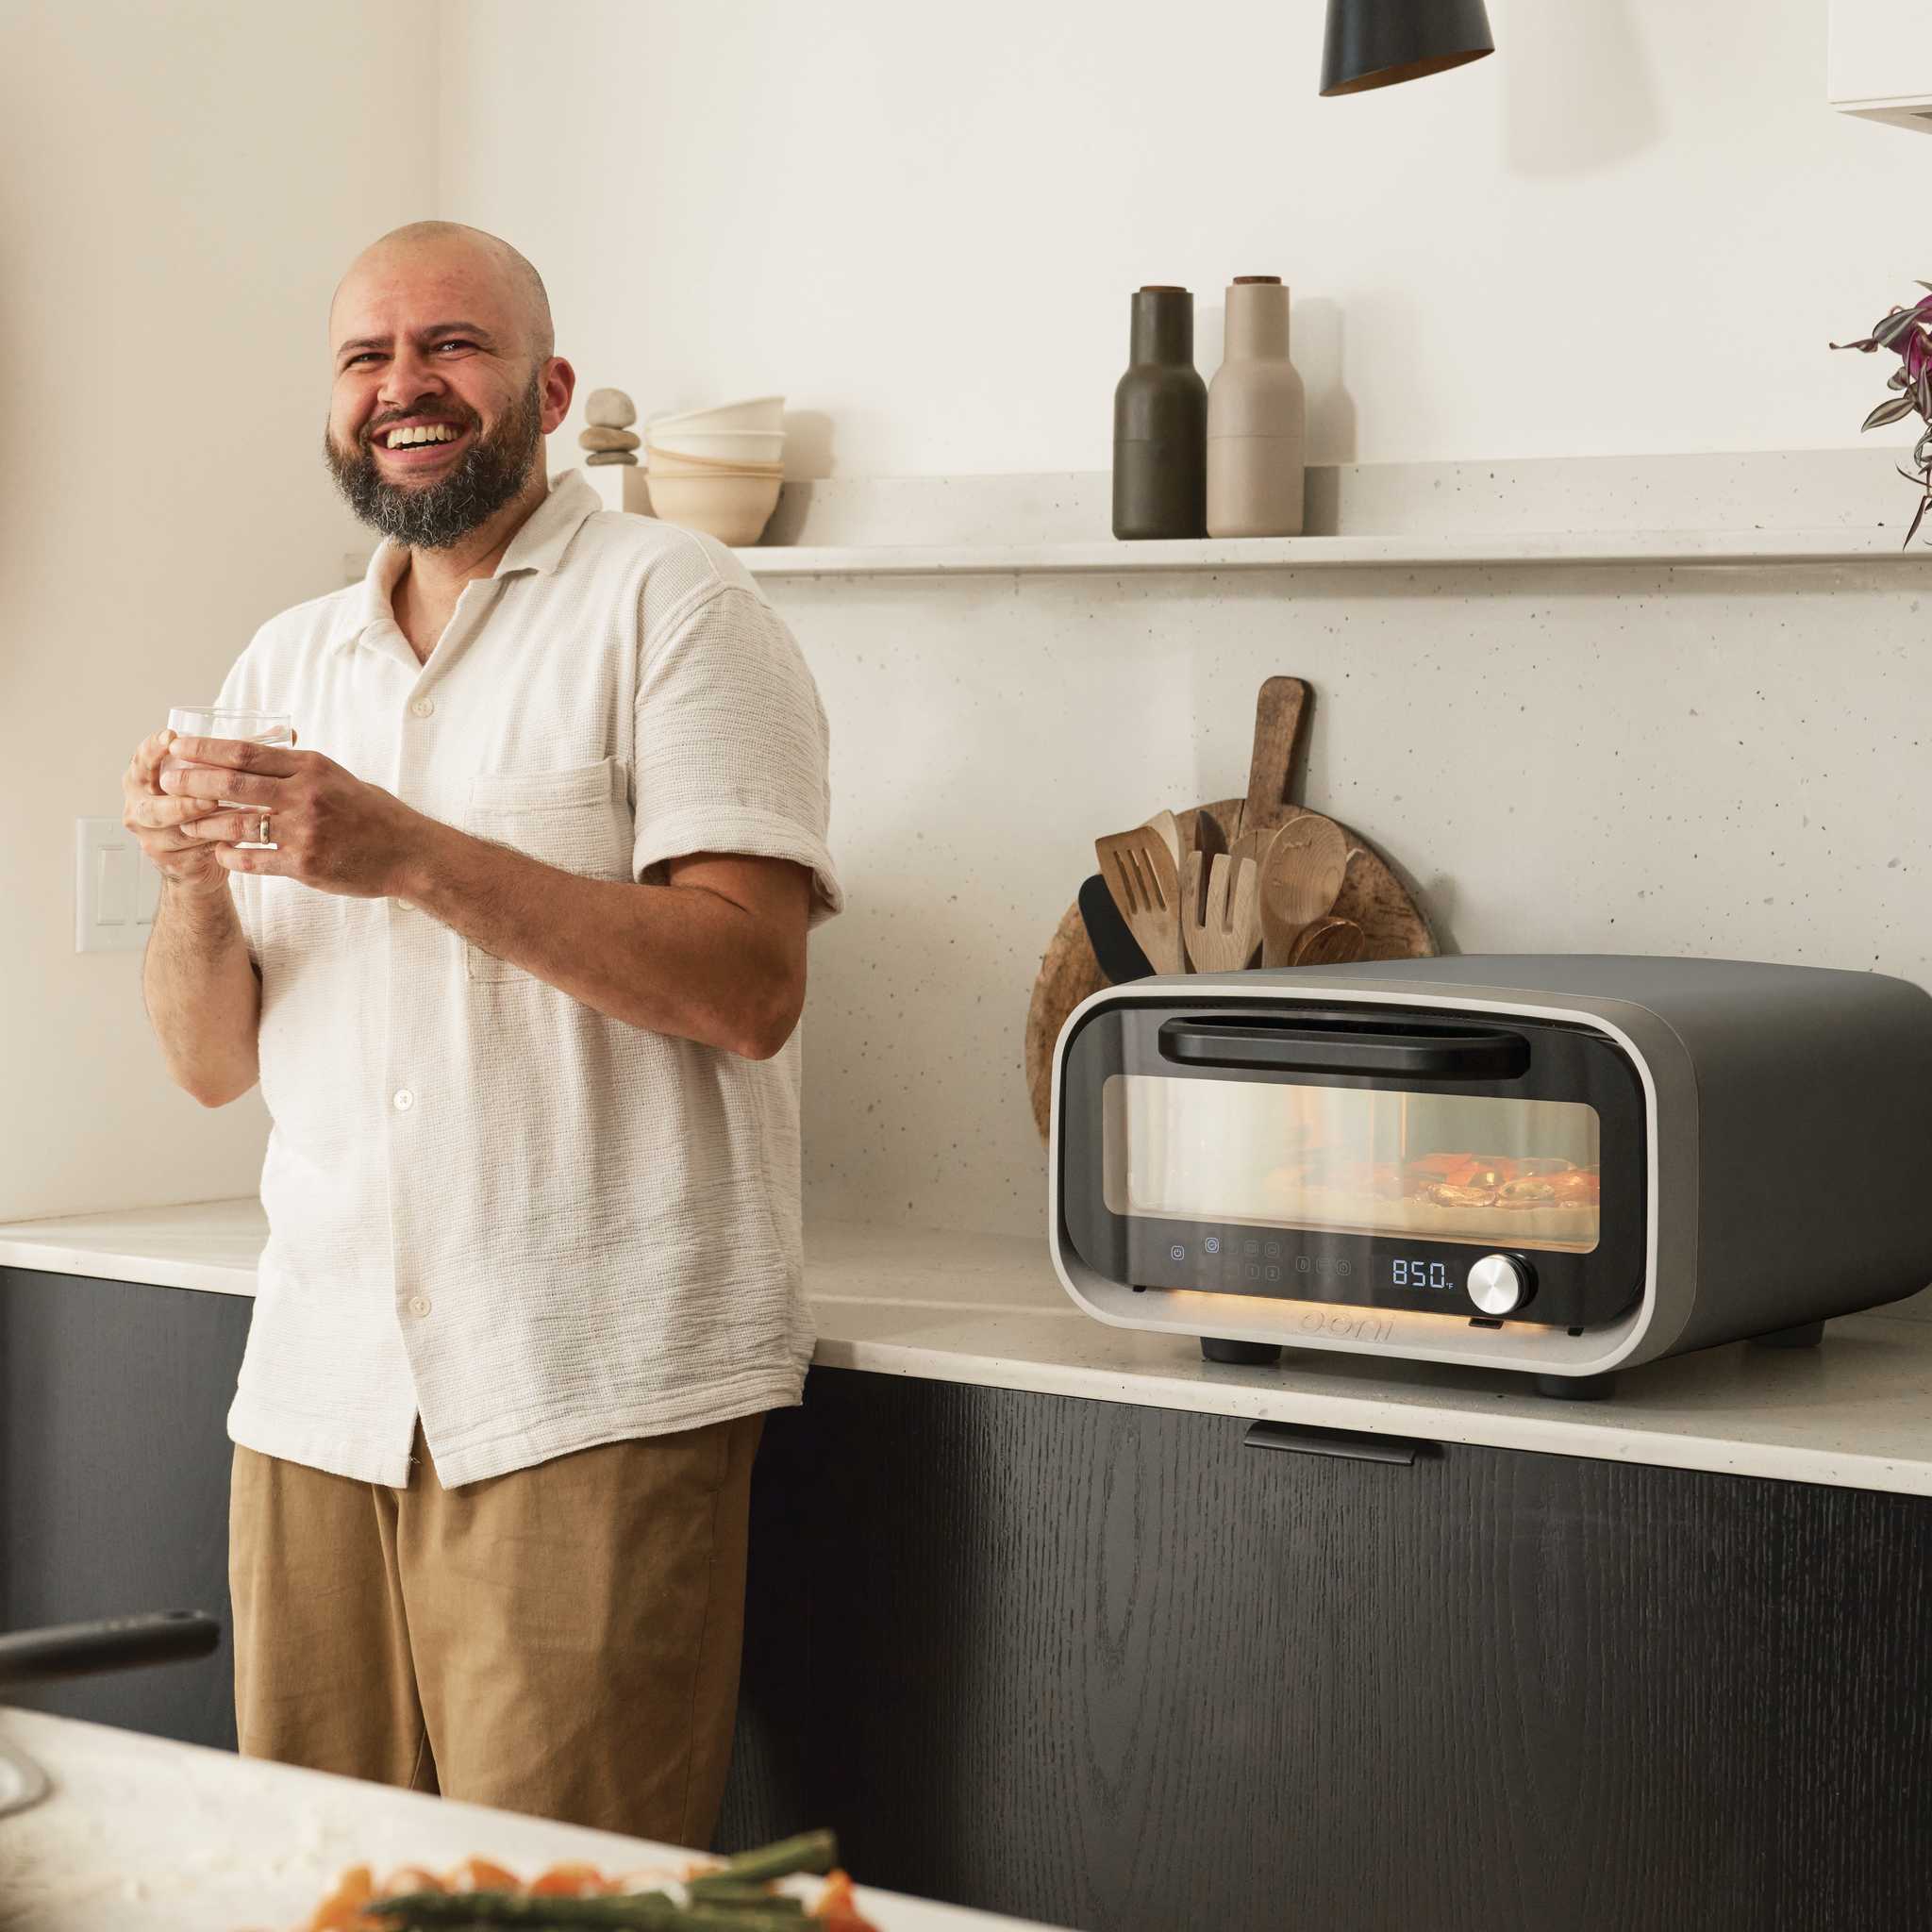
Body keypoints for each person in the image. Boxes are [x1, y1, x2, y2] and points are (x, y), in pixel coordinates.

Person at [122, 220, 841, 1847]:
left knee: (552, 1899)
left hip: (582, 1390)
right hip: (315, 1402)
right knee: (325, 1891)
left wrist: (412, 854)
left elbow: (750, 987)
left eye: (451, 347)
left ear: (549, 386)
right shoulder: (283, 660)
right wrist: (185, 885)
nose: (404, 388)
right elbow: (209, 1062)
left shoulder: (680, 606)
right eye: (367, 358)